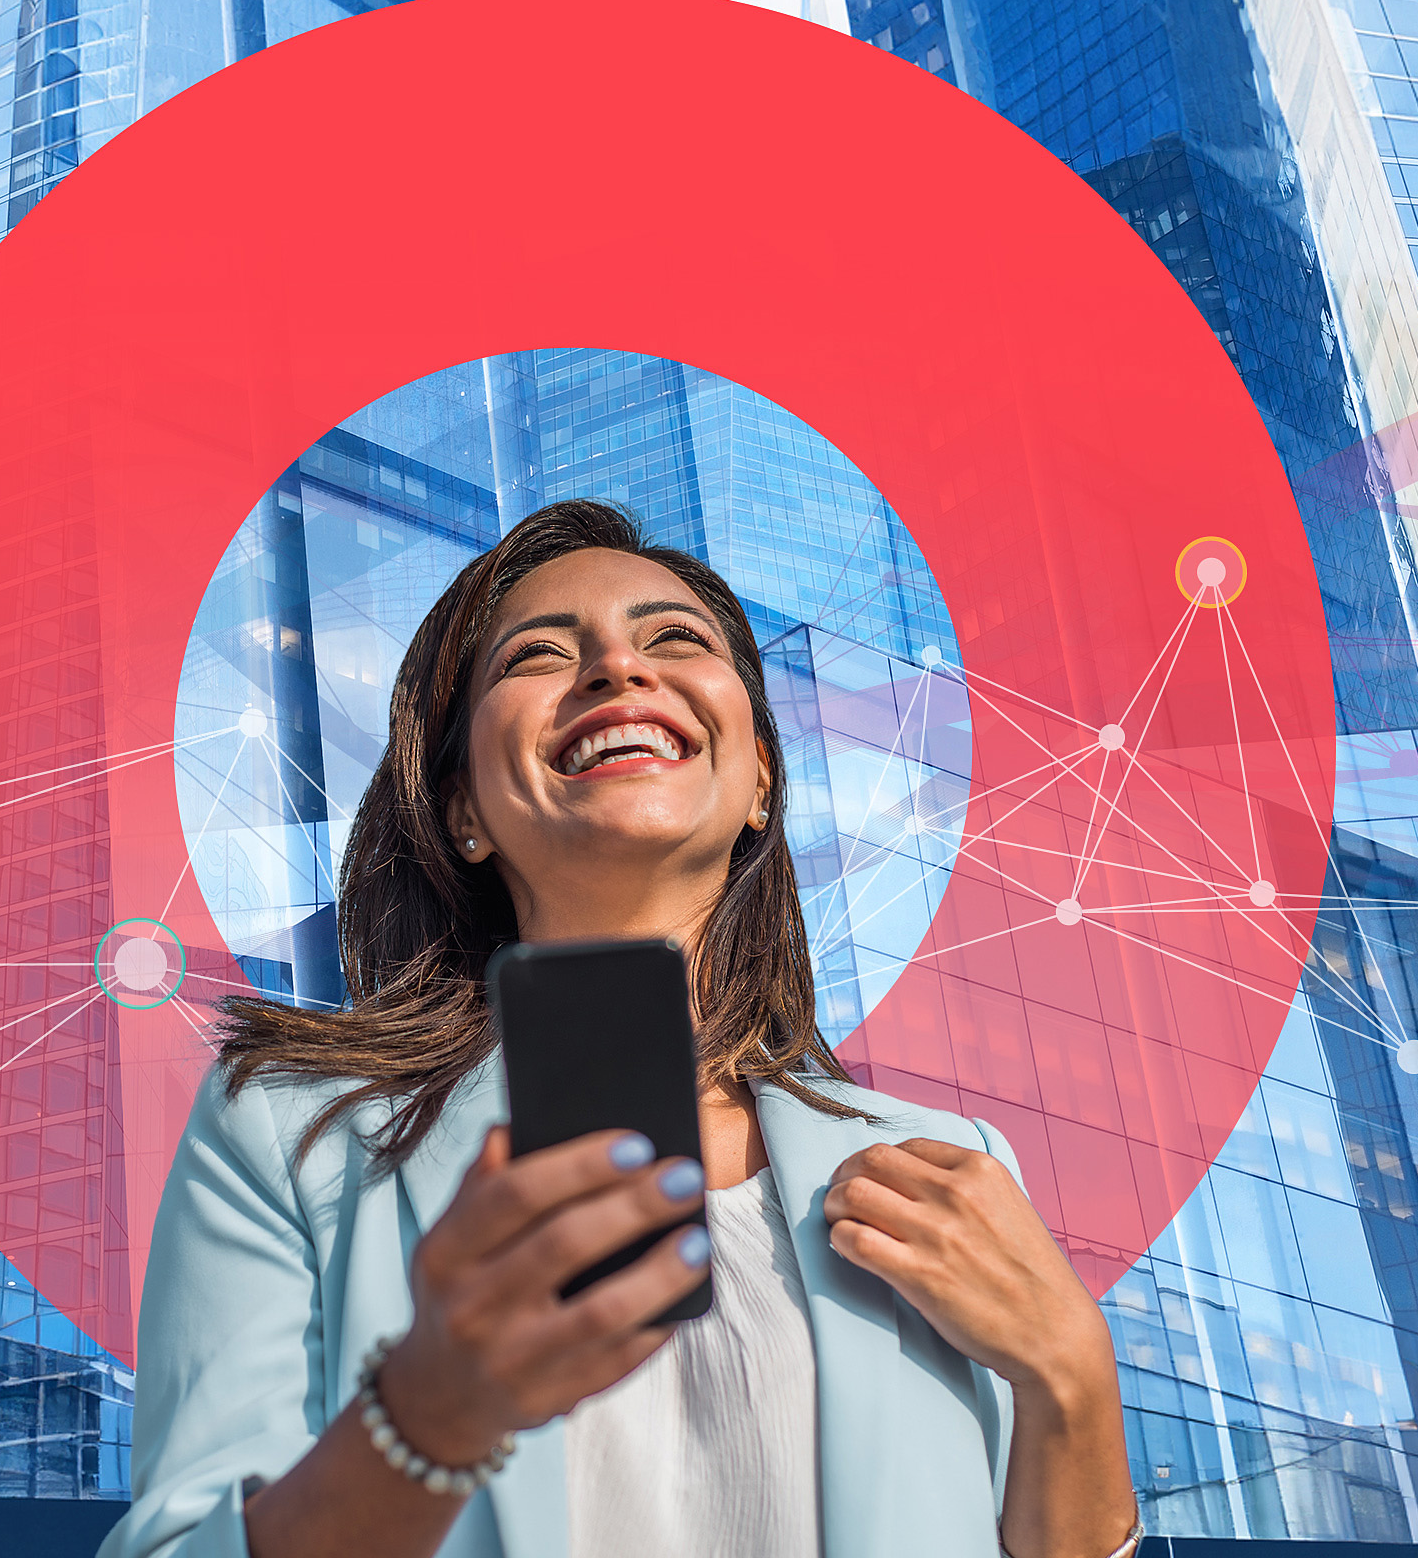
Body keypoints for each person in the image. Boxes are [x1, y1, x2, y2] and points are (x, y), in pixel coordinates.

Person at [98, 501, 1139, 1558]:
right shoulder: (288, 1136)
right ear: (461, 807)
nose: (616, 670)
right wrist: (425, 1417)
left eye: (674, 641)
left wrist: (1072, 1380)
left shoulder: (953, 1170)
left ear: (761, 784)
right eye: (540, 655)